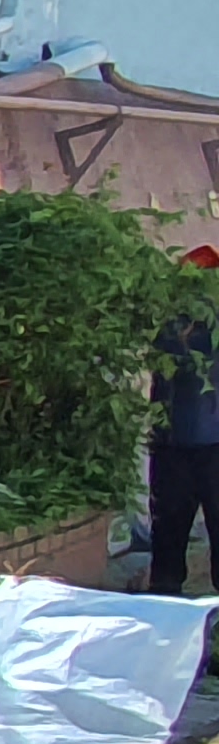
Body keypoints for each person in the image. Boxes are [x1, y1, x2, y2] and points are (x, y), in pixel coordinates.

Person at [146, 252, 219, 594]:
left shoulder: (171, 324)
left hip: (189, 445)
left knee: (169, 535)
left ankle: (166, 599)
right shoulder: (169, 324)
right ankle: (165, 600)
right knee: (168, 536)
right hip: (174, 444)